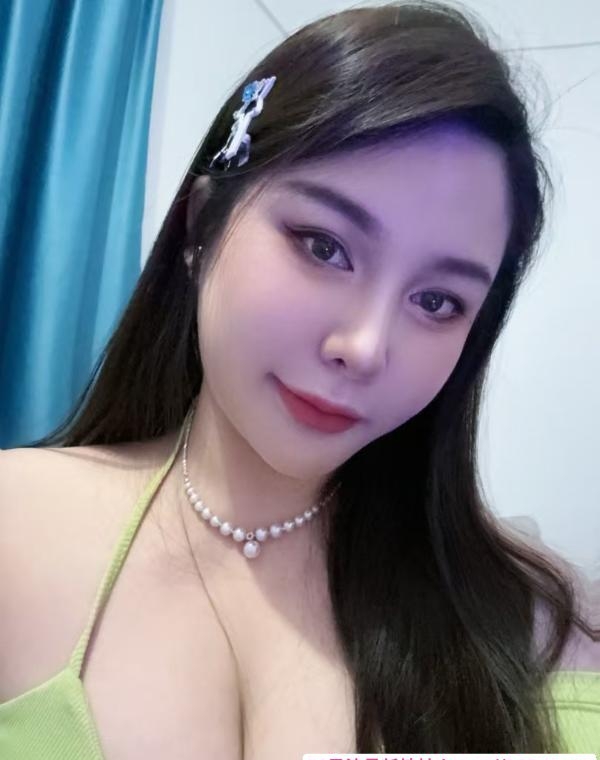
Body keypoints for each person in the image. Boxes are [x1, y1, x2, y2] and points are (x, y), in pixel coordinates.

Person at [0, 1, 598, 757]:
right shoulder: (16, 523)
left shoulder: (539, 624)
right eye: (323, 246)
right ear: (201, 224)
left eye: (437, 302)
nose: (365, 347)